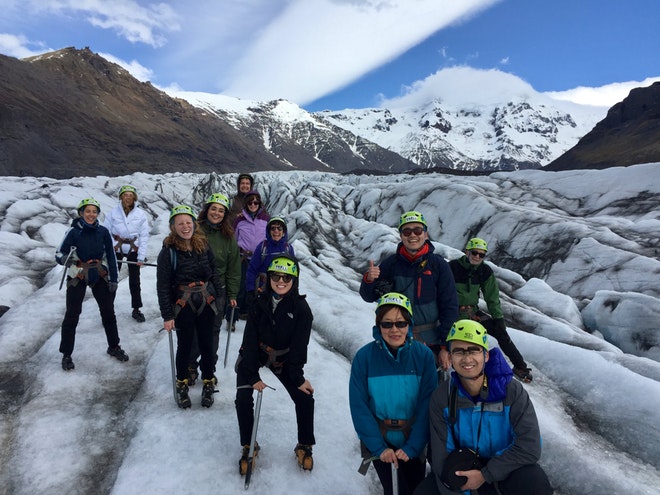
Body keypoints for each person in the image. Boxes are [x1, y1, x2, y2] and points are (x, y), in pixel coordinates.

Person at [412, 320, 553, 495]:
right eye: (458, 351)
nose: (467, 358)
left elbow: (530, 447)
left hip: (504, 470)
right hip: (463, 471)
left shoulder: (511, 392)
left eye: (473, 350)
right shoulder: (443, 397)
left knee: (533, 480)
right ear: (449, 357)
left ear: (486, 355)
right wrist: (461, 488)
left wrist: (485, 475)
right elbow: (441, 457)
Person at [349, 292, 437, 495]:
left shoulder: (423, 356)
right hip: (381, 440)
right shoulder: (365, 358)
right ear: (378, 326)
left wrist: (414, 446)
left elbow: (427, 404)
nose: (394, 329)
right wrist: (379, 448)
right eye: (387, 324)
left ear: (409, 324)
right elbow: (359, 407)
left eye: (401, 323)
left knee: (416, 488)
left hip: (414, 438)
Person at [234, 255, 315, 474]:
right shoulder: (258, 303)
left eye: (286, 277)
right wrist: (252, 376)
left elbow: (300, 347)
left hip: (283, 358)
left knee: (305, 397)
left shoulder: (301, 309)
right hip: (256, 353)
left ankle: (305, 444)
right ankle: (249, 443)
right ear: (269, 277)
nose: (281, 281)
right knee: (243, 397)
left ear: (294, 280)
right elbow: (249, 340)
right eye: (276, 276)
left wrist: (297, 378)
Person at [360, 211, 458, 371]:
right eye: (407, 231)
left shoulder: (438, 265)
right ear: (401, 236)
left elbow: (450, 306)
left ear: (425, 234)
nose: (413, 235)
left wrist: (445, 347)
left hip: (431, 342)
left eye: (418, 230)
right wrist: (369, 280)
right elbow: (368, 296)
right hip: (397, 339)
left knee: (430, 390)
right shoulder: (391, 264)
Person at [156, 205, 224, 409]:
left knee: (207, 345)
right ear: (172, 227)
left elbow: (213, 272)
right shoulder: (168, 253)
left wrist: (219, 295)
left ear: (194, 224)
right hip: (183, 305)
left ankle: (208, 381)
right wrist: (167, 316)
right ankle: (182, 383)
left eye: (188, 222)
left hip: (205, 302)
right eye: (180, 223)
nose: (185, 227)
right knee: (185, 346)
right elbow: (163, 286)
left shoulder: (203, 245)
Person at [55, 198, 128, 371]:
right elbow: (59, 253)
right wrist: (64, 258)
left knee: (108, 312)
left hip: (99, 274)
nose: (91, 214)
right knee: (72, 314)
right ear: (81, 213)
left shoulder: (103, 232)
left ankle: (114, 346)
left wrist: (114, 279)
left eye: (94, 211)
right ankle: (66, 354)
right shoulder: (73, 232)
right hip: (77, 274)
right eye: (87, 211)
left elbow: (111, 256)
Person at [448, 238, 532, 383]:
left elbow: (491, 296)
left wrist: (498, 319)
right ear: (467, 251)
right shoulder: (452, 267)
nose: (477, 257)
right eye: (474, 253)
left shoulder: (484, 271)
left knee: (501, 333)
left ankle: (520, 367)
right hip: (453, 312)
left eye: (482, 255)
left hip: (472, 313)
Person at [187, 193, 241, 384]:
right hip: (194, 290)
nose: (216, 213)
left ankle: (208, 367)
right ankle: (190, 365)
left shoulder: (228, 237)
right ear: (207, 209)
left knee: (213, 331)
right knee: (194, 329)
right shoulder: (194, 230)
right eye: (214, 209)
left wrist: (233, 294)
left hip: (219, 291)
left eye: (221, 210)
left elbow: (234, 267)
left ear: (225, 214)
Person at [104, 184, 150, 322]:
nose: (128, 198)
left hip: (134, 248)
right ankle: (108, 309)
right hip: (115, 248)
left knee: (135, 281)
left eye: (131, 195)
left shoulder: (140, 215)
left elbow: (144, 235)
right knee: (112, 279)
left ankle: (136, 309)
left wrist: (141, 256)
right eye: (125, 195)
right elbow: (105, 232)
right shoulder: (113, 213)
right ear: (121, 197)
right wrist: (108, 250)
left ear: (134, 198)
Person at [233, 190, 269, 319]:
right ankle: (238, 311)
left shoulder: (266, 219)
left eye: (256, 202)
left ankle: (252, 311)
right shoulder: (239, 220)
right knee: (242, 284)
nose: (253, 204)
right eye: (250, 202)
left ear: (260, 203)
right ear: (246, 204)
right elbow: (234, 238)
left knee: (258, 285)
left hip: (260, 258)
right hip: (243, 258)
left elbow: (269, 238)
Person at [245, 216, 295, 298]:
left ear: (284, 232)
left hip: (283, 290)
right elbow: (252, 270)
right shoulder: (262, 248)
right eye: (273, 228)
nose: (276, 231)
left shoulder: (288, 249)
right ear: (269, 231)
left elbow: (294, 272)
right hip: (264, 290)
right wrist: (250, 290)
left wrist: (294, 290)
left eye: (279, 228)